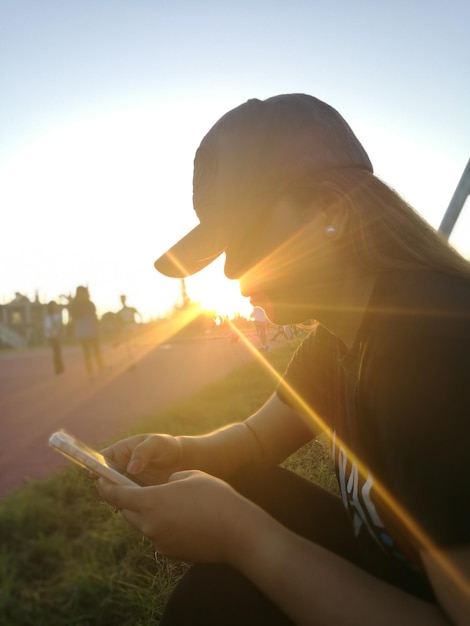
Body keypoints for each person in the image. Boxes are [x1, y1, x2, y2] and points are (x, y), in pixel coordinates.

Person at [97, 94, 470, 624]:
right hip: (408, 574)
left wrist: (243, 537)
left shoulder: (430, 353)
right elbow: (255, 440)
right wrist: (177, 451)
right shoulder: (342, 333)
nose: (231, 275)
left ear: (329, 211)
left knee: (223, 584)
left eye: (243, 239)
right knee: (251, 488)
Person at [68, 286, 104, 378]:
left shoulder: (89, 303)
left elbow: (95, 315)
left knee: (96, 349)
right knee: (87, 352)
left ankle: (100, 367)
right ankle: (90, 371)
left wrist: (97, 326)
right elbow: (73, 317)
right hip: (82, 329)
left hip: (91, 328)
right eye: (80, 292)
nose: (82, 294)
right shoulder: (74, 305)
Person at [116, 294, 142, 367]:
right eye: (122, 299)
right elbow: (118, 323)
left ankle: (133, 360)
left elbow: (139, 315)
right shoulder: (120, 312)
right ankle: (132, 361)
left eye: (123, 299)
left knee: (130, 344)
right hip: (127, 329)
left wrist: (140, 323)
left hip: (132, 327)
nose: (122, 301)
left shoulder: (131, 309)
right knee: (128, 345)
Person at [43, 300, 64, 375]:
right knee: (56, 351)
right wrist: (53, 335)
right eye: (54, 305)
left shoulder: (58, 315)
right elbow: (48, 327)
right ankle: (58, 368)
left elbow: (60, 325)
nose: (55, 307)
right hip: (52, 336)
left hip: (57, 335)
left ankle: (60, 368)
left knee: (58, 351)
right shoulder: (48, 317)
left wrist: (60, 333)